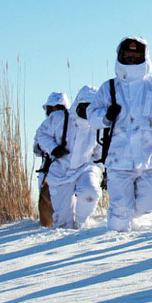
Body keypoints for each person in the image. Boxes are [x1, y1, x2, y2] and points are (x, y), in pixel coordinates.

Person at [88, 37, 152, 232]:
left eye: (135, 56)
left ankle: (130, 218)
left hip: (149, 158)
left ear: (144, 58)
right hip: (118, 159)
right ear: (120, 57)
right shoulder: (109, 87)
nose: (131, 60)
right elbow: (91, 116)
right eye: (127, 56)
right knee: (121, 205)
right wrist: (105, 115)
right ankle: (116, 240)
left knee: (151, 200)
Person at [34, 85, 103, 229]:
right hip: (60, 170)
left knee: (90, 193)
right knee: (63, 221)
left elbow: (101, 150)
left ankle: (81, 223)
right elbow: (41, 134)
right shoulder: (58, 119)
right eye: (84, 106)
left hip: (85, 167)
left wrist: (106, 170)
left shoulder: (98, 125)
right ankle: (66, 237)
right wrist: (54, 149)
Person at [33, 92, 69, 227]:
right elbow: (37, 148)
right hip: (49, 168)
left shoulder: (72, 124)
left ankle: (59, 225)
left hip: (59, 168)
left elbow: (36, 148)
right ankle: (52, 225)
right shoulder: (46, 127)